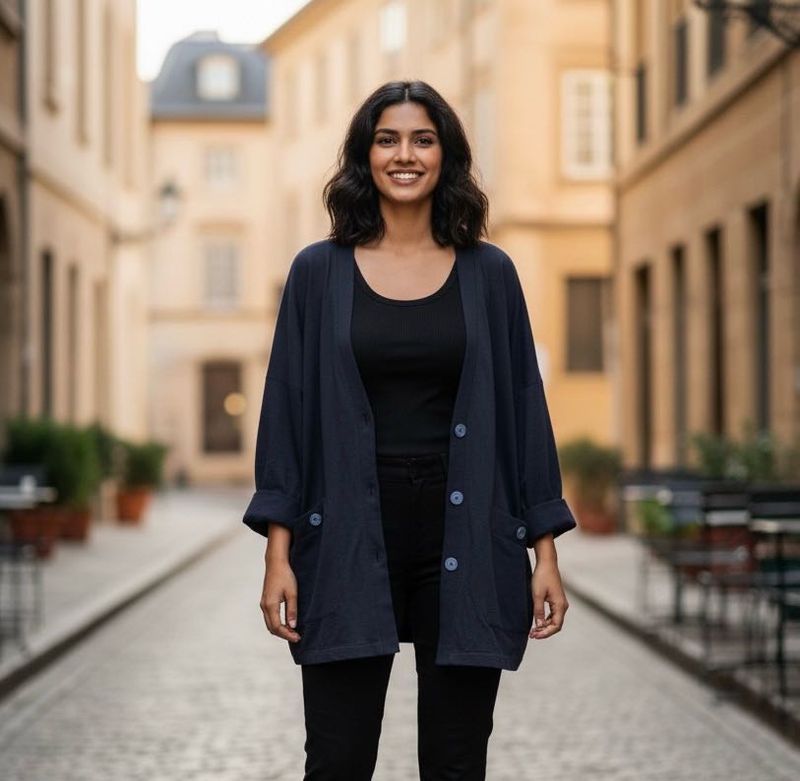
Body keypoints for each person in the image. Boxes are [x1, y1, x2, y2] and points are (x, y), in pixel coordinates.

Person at [243, 80, 577, 780]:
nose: (405, 155)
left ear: (445, 154)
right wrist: (279, 552)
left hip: (467, 531)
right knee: (336, 759)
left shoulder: (490, 273)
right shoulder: (317, 272)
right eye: (387, 139)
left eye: (422, 139)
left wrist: (544, 550)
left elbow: (524, 410)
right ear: (364, 156)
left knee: (456, 762)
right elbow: (287, 411)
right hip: (343, 529)